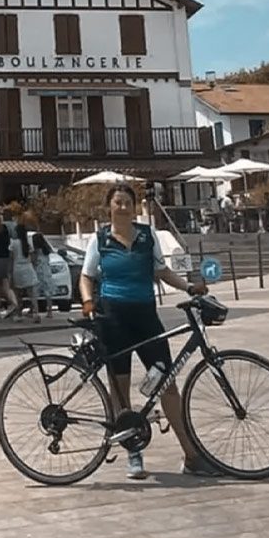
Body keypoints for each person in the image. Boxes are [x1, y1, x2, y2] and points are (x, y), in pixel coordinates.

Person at [80, 181, 217, 482]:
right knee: (121, 389)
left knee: (168, 386)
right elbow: (87, 276)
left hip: (146, 317)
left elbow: (162, 271)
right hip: (113, 319)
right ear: (110, 207)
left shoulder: (147, 235)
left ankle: (192, 456)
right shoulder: (99, 239)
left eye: (128, 202)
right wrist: (88, 302)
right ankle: (133, 454)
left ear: (134, 207)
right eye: (118, 202)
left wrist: (189, 286)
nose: (123, 207)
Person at [10, 216, 41, 322]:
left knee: (18, 294)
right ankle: (36, 313)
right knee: (32, 294)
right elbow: (33, 257)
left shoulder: (14, 243)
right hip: (28, 267)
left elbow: (11, 257)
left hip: (17, 268)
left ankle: (19, 314)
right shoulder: (28, 243)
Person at [27, 214, 56, 318]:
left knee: (35, 292)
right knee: (48, 292)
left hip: (37, 273)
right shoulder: (46, 251)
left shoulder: (36, 252)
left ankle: (35, 311)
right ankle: (50, 311)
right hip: (47, 272)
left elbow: (33, 261)